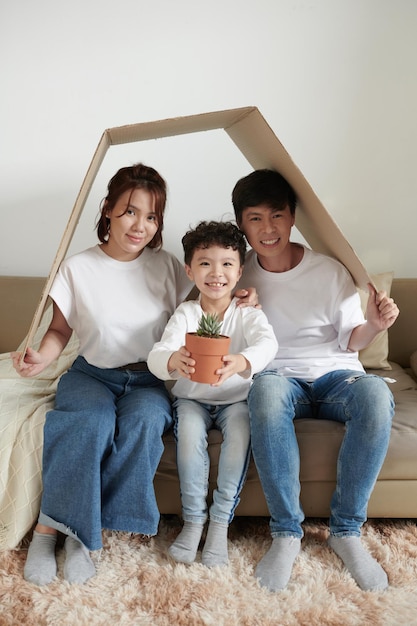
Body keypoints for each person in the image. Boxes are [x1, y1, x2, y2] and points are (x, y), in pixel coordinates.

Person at [11, 163, 194, 586]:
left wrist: (245, 294)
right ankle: (47, 532)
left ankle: (79, 535)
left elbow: (203, 308)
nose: (140, 226)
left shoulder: (167, 267)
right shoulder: (78, 268)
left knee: (146, 422)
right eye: (131, 211)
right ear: (108, 209)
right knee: (90, 424)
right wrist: (41, 356)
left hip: (148, 381)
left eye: (152, 217)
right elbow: (59, 331)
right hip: (92, 375)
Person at [231, 169, 400, 592]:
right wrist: (238, 309)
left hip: (335, 376)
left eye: (277, 216)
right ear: (241, 226)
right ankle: (286, 532)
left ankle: (346, 531)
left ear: (292, 219)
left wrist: (375, 324)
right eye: (255, 219)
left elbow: (352, 341)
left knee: (377, 396)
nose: (268, 229)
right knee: (266, 391)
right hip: (277, 376)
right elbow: (215, 336)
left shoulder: (329, 271)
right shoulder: (234, 274)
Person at [147, 221, 278, 567]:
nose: (216, 273)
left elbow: (268, 344)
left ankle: (219, 524)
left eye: (226, 264)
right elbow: (157, 355)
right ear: (190, 270)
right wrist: (173, 360)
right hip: (191, 399)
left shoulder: (246, 313)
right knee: (189, 442)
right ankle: (193, 522)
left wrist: (242, 360)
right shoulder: (186, 313)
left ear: (239, 272)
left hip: (236, 399)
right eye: (205, 263)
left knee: (239, 438)